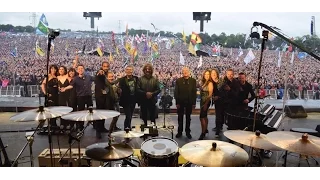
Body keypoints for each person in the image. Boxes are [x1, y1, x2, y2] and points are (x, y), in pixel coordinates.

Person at [61, 64, 94, 132]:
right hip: (80, 97)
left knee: (91, 111)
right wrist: (65, 88)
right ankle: (80, 126)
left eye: (82, 68)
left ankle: (94, 124)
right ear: (77, 70)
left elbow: (95, 79)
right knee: (81, 112)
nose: (80, 70)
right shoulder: (75, 79)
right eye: (79, 69)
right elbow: (71, 85)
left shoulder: (89, 76)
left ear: (84, 69)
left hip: (88, 96)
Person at [174, 67, 197, 139]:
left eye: (186, 71)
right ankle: (179, 132)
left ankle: (188, 132)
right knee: (180, 118)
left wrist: (194, 103)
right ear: (182, 72)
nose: (185, 72)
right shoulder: (178, 80)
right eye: (184, 71)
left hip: (189, 102)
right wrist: (177, 103)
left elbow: (194, 92)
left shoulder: (193, 81)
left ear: (189, 72)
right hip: (180, 102)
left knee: (188, 118)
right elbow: (176, 92)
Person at [118, 65, 138, 130]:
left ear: (132, 70)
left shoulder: (136, 78)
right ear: (125, 71)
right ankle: (126, 128)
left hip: (133, 100)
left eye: (130, 69)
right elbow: (119, 88)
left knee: (130, 115)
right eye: (127, 69)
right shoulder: (122, 80)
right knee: (128, 115)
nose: (129, 71)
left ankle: (128, 126)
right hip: (125, 101)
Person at [198, 69, 213, 140]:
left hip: (206, 101)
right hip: (202, 101)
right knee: (204, 116)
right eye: (205, 74)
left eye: (208, 74)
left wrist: (206, 104)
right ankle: (205, 129)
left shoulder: (210, 83)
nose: (206, 76)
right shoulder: (203, 82)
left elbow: (210, 95)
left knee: (201, 117)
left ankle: (202, 133)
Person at [210, 68, 224, 136]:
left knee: (219, 115)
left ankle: (218, 130)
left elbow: (223, 92)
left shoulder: (220, 81)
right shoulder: (211, 82)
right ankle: (218, 127)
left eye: (215, 73)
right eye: (212, 74)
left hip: (221, 100)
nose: (213, 75)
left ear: (217, 74)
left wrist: (218, 97)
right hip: (216, 100)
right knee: (218, 114)